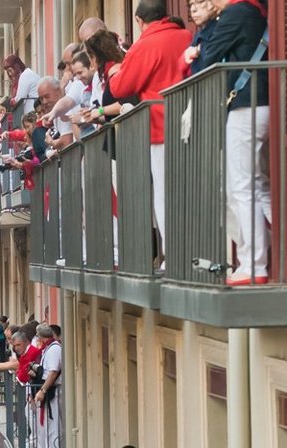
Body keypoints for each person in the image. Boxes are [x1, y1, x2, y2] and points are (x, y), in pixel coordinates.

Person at [106, 0, 192, 261]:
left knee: (165, 195)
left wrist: (113, 71)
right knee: (192, 189)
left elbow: (121, 87)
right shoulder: (186, 35)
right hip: (192, 120)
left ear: (140, 20)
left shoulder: (144, 45)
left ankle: (175, 256)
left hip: (159, 127)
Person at [197, 0, 271, 285]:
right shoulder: (255, 11)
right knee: (259, 184)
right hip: (261, 102)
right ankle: (262, 257)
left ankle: (254, 265)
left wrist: (204, 38)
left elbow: (209, 57)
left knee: (240, 187)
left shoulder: (234, 13)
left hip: (244, 105)